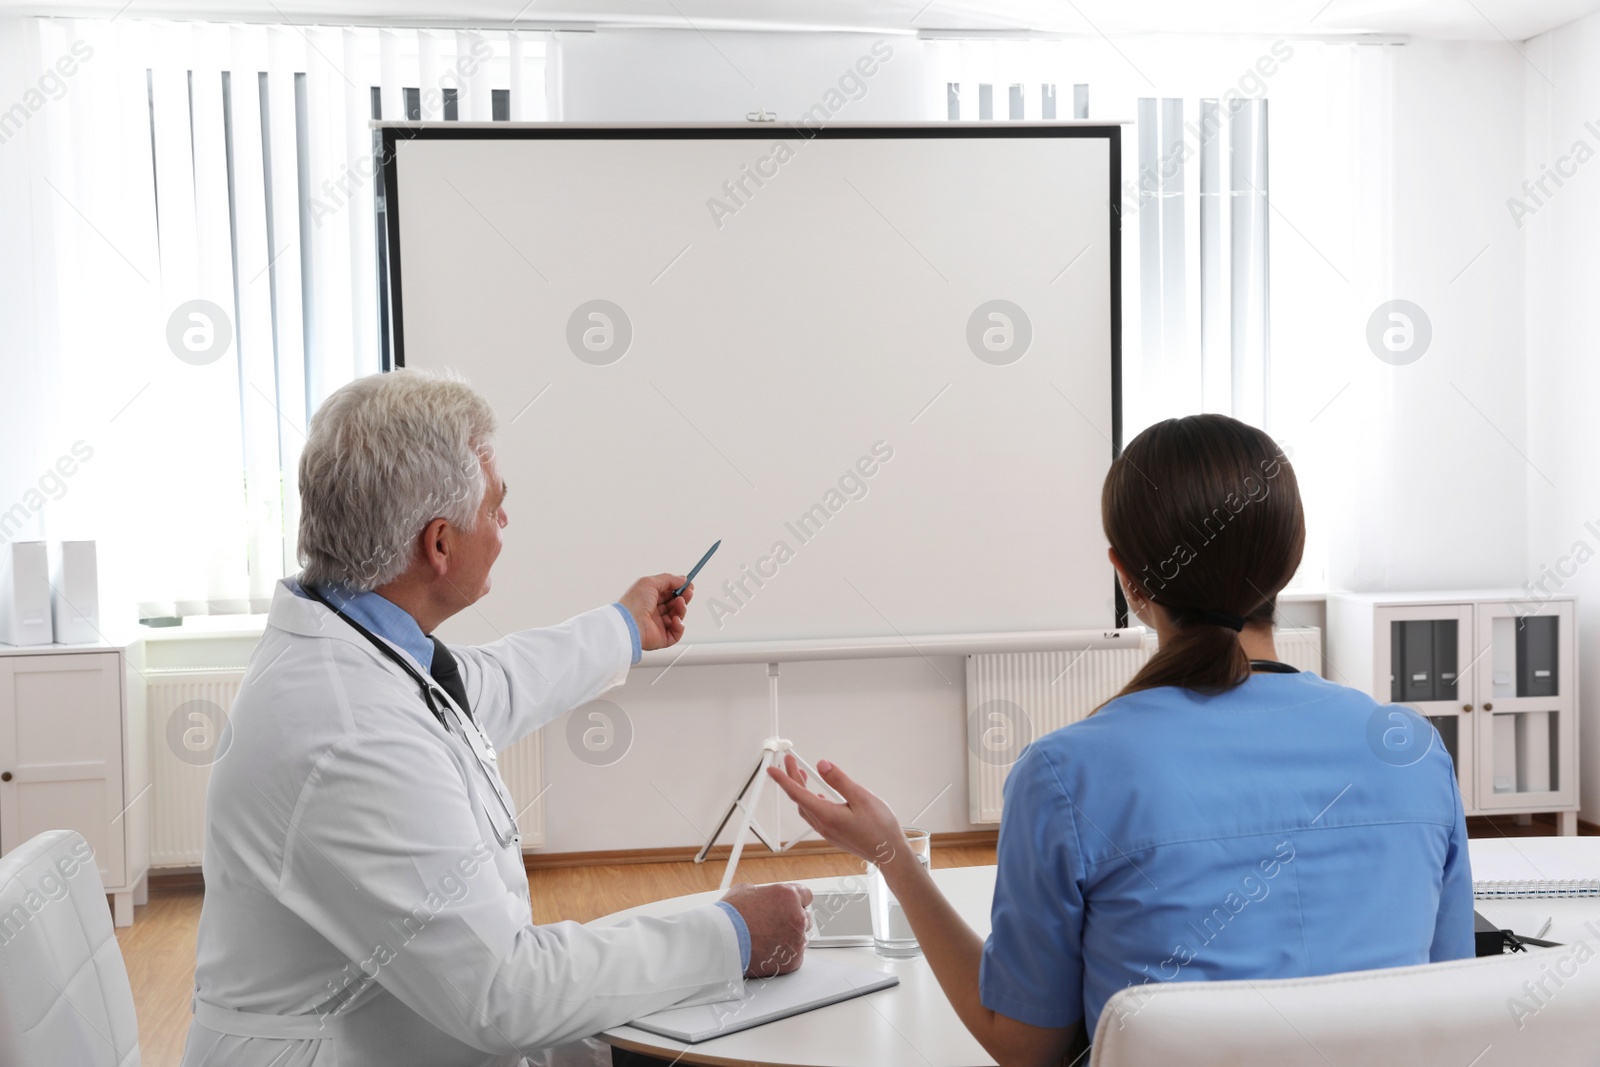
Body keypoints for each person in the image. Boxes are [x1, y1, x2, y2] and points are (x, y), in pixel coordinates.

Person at [770, 413, 1474, 1066]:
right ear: (1288, 560)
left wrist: (892, 853)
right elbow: (1453, 1003)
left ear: (1127, 577)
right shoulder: (1411, 748)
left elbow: (1025, 1047)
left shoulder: (1064, 772)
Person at [181, 369, 811, 1067]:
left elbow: (492, 685)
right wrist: (732, 936)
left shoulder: (361, 646)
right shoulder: (347, 731)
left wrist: (624, 626)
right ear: (440, 543)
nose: (505, 523)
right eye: (497, 506)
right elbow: (504, 990)